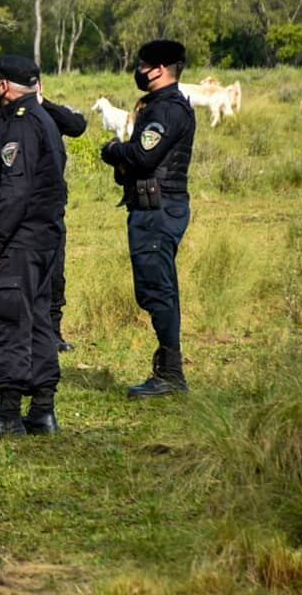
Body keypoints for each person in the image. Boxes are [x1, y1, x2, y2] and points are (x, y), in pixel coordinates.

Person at [0, 55, 65, 438]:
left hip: (20, 243)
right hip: (45, 240)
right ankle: (42, 410)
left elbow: (15, 191)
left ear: (4, 86)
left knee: (9, 323)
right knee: (39, 321)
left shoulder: (19, 127)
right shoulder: (44, 119)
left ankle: (7, 413)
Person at [101, 40, 195, 399]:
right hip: (151, 208)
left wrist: (113, 150)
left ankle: (171, 374)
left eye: (143, 65)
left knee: (158, 290)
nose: (138, 70)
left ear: (158, 69)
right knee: (155, 288)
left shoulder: (167, 109)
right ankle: (168, 369)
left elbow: (142, 155)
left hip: (158, 211)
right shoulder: (160, 105)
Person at [0, 80, 85, 353]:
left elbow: (77, 126)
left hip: (47, 210)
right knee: (16, 281)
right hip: (14, 216)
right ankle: (27, 334)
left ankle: (53, 330)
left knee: (54, 274)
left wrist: (40, 102)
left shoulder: (44, 114)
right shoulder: (0, 119)